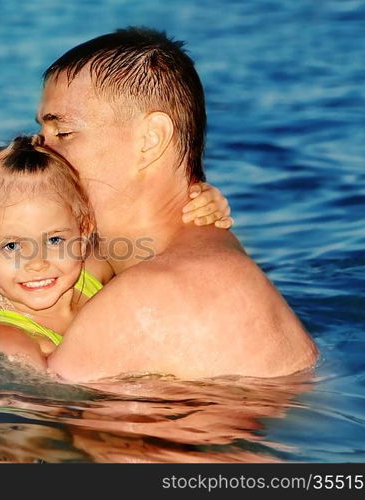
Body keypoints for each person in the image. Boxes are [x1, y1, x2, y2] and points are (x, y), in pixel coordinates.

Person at [37, 27, 318, 381]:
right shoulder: (203, 249)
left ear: (150, 141)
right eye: (40, 136)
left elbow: (25, 422)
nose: (39, 153)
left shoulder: (144, 299)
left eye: (63, 134)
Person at [0, 135, 232, 370]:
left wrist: (200, 205)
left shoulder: (92, 269)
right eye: (12, 246)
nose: (37, 263)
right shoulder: (11, 338)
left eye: (54, 240)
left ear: (84, 232)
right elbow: (48, 398)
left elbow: (163, 239)